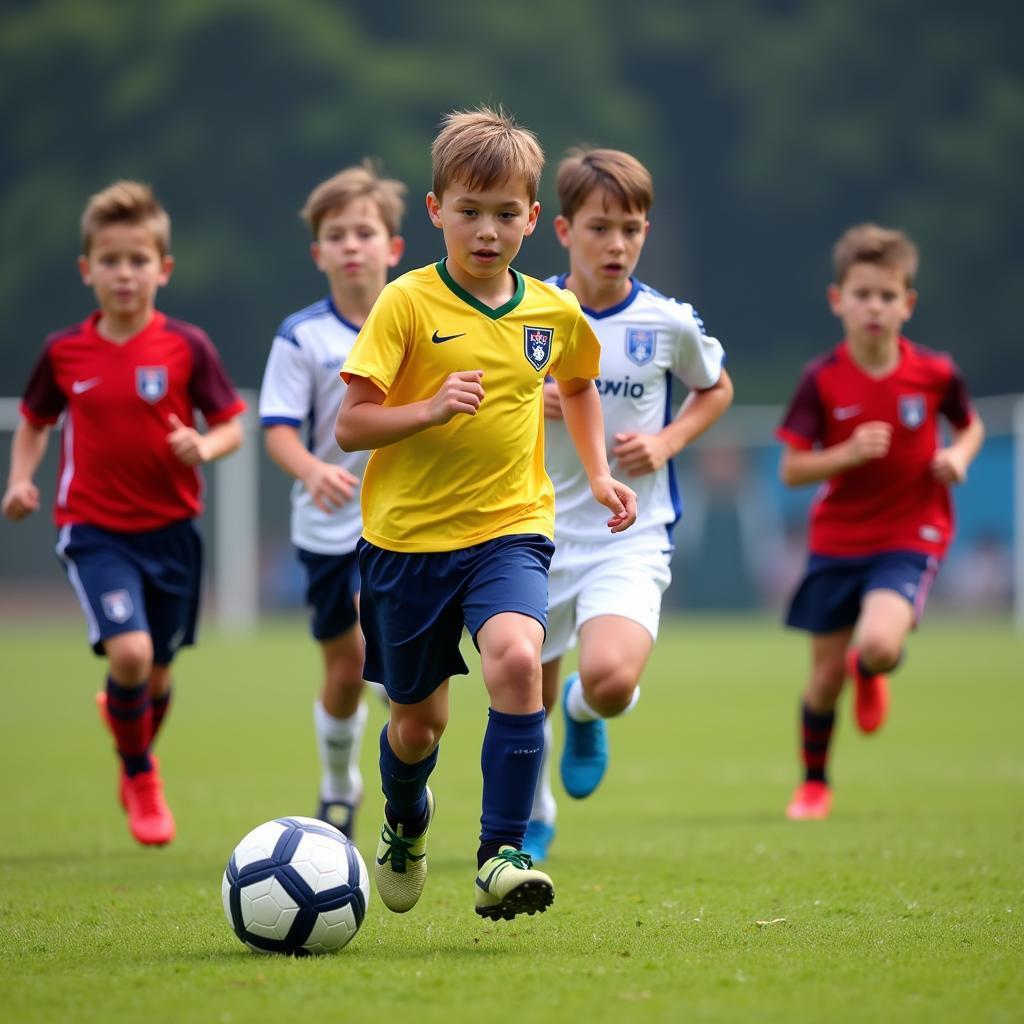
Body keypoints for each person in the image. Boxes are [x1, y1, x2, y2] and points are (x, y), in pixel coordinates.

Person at [335, 107, 638, 920]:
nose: (487, 230)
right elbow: (351, 423)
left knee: (515, 657)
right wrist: (427, 411)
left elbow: (576, 384)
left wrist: (601, 473)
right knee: (417, 728)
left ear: (534, 220)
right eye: (469, 211)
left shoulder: (551, 311)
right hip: (404, 546)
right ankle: (405, 819)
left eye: (506, 214)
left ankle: (502, 852)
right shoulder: (404, 305)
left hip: (511, 529)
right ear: (435, 211)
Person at [2, 181, 246, 846]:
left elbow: (231, 422)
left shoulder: (186, 346)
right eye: (110, 260)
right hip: (95, 530)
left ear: (162, 269)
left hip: (172, 534)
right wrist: (20, 481)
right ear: (87, 271)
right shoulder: (64, 353)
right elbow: (33, 421)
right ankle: (140, 773)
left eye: (139, 260)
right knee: (131, 653)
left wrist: (205, 445)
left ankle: (128, 727)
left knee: (156, 672)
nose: (124, 273)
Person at [521, 149, 734, 863]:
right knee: (524, 695)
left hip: (628, 532)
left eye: (632, 229)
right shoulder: (527, 312)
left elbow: (717, 387)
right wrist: (530, 401)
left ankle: (589, 711)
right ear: (562, 229)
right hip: (532, 530)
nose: (617, 244)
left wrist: (671, 439)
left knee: (611, 682)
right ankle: (534, 810)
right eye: (600, 227)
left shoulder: (666, 322)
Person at [777, 223, 985, 821]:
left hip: (909, 534)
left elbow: (970, 425)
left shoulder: (936, 374)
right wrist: (844, 454)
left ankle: (872, 666)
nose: (875, 307)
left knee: (879, 643)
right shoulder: (821, 379)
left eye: (888, 296)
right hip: (837, 540)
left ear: (908, 305)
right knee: (822, 682)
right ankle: (814, 784)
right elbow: (792, 470)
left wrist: (958, 457)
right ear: (837, 300)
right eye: (863, 294)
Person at [258, 162, 405, 839]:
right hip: (326, 529)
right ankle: (338, 783)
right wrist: (313, 470)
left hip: (403, 524)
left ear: (392, 247)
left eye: (365, 232)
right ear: (318, 253)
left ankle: (397, 787)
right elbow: (278, 430)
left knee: (378, 649)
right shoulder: (302, 336)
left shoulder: (419, 323)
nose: (352, 245)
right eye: (337, 235)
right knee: (345, 671)